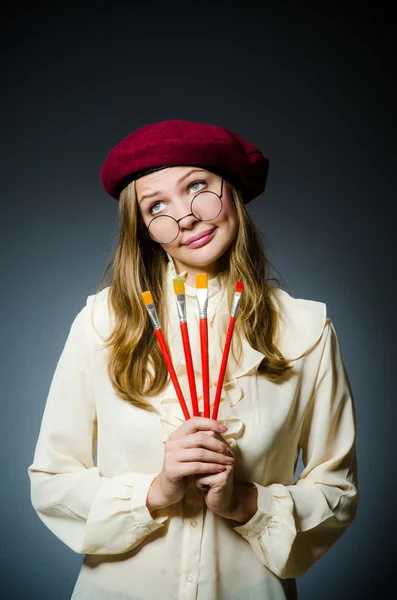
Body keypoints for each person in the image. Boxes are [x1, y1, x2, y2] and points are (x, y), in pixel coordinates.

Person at [27, 120, 359, 600]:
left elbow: (337, 491)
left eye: (198, 188)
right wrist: (155, 492)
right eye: (156, 206)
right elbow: (52, 482)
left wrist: (244, 501)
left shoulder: (306, 330)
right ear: (143, 230)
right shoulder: (101, 323)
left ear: (233, 192)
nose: (184, 218)